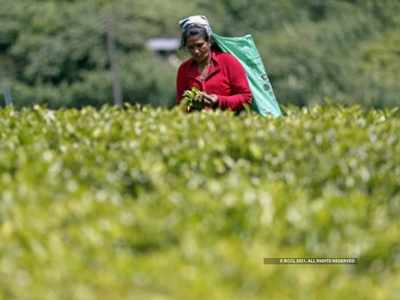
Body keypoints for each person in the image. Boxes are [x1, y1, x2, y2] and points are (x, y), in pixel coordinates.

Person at [176, 17, 252, 112]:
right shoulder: (184, 69)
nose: (196, 51)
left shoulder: (228, 62)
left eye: (200, 45)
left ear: (209, 42)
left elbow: (246, 97)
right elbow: (180, 104)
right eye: (191, 47)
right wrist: (192, 104)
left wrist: (218, 100)